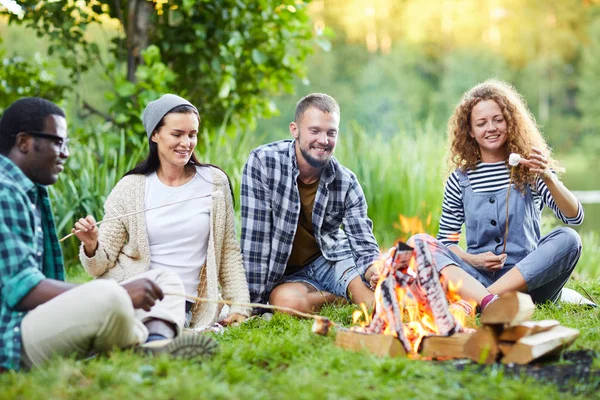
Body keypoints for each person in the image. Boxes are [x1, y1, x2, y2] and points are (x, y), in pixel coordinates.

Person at [0, 98, 214, 373]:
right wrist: (121, 293)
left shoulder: (28, 189)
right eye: (58, 142)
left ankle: (157, 343)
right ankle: (146, 342)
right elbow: (22, 289)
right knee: (109, 298)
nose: (65, 153)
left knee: (164, 281)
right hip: (14, 338)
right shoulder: (5, 192)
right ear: (24, 142)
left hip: (36, 320)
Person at [409, 79, 590, 311]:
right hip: (478, 279)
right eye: (481, 123)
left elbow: (574, 218)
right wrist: (473, 260)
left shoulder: (531, 169)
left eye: (498, 120)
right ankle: (487, 299)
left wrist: (549, 177)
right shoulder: (459, 180)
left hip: (532, 285)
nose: (491, 128)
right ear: (471, 132)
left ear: (510, 122)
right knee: (419, 243)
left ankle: (482, 301)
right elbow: (447, 242)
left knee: (569, 239)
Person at [74, 94, 251, 329]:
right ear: (155, 135)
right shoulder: (131, 187)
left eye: (192, 134)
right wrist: (91, 245)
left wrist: (240, 307)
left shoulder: (214, 183)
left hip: (179, 303)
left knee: (137, 330)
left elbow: (227, 250)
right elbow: (98, 266)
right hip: (130, 290)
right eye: (177, 134)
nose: (186, 143)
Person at [241, 93, 380, 314]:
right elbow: (255, 242)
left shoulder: (346, 182)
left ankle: (353, 294)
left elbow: (363, 241)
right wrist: (250, 306)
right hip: (287, 274)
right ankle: (340, 299)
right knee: (286, 304)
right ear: (294, 129)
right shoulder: (263, 163)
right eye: (314, 131)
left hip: (332, 259)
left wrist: (373, 269)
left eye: (331, 133)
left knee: (374, 305)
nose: (323, 140)